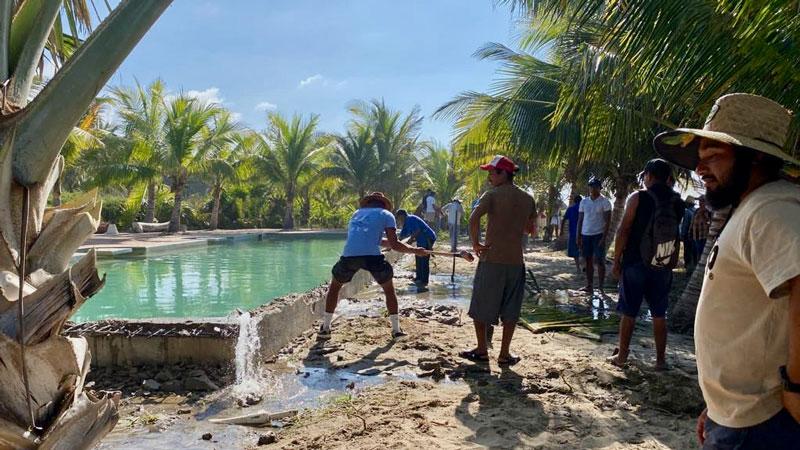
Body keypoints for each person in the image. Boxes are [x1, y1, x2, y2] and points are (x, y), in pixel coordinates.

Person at [653, 93, 800, 448]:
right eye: (699, 159)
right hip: (740, 416)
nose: (700, 170)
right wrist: (718, 406)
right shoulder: (752, 207)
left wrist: (796, 387)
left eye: (713, 156)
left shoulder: (773, 209)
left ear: (756, 157)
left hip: (762, 422)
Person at [319, 192, 428, 339]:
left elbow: (373, 240)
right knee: (389, 290)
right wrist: (415, 251)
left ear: (369, 203)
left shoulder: (356, 214)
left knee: (335, 287)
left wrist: (398, 245)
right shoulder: (386, 215)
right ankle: (396, 330)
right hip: (372, 257)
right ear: (384, 205)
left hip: (349, 255)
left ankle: (325, 328)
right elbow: (394, 244)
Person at [460, 155, 536, 365]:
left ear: (503, 174)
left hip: (492, 258)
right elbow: (529, 229)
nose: (489, 178)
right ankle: (504, 354)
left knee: (481, 306)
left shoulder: (492, 194)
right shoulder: (528, 199)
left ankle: (482, 349)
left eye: (492, 173)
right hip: (516, 261)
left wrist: (476, 244)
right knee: (511, 310)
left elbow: (474, 218)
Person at [610, 159, 685, 370]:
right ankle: (660, 360)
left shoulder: (638, 197)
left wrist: (616, 260)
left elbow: (623, 230)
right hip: (662, 264)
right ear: (668, 178)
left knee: (629, 312)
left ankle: (622, 357)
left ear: (649, 176)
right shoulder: (677, 202)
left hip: (635, 262)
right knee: (659, 314)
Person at [577, 178, 612, 294]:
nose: (593, 189)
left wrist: (604, 238)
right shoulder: (584, 202)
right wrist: (578, 237)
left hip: (598, 235)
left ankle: (601, 286)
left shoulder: (605, 202)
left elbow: (607, 222)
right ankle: (589, 285)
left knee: (600, 260)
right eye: (591, 186)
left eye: (595, 187)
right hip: (586, 234)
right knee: (588, 260)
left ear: (600, 188)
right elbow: (580, 220)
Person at [396, 210, 437, 287]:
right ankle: (418, 277)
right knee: (418, 257)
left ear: (402, 216)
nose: (399, 221)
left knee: (424, 259)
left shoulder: (410, 219)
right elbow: (401, 236)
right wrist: (395, 244)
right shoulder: (406, 223)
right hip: (420, 240)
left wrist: (410, 240)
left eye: (399, 218)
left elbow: (417, 231)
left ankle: (424, 281)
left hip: (427, 238)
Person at [563, 195, 583, 272]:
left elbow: (564, 219)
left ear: (574, 201)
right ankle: (584, 265)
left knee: (575, 252)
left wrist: (561, 230)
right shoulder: (583, 209)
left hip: (573, 233)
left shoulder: (571, 209)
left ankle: (578, 267)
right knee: (584, 250)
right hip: (584, 233)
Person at [680, 196, 697, 269]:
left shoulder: (687, 212)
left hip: (688, 236)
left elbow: (685, 225)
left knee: (687, 252)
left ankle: (687, 266)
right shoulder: (696, 211)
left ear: (687, 204)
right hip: (695, 235)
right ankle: (693, 266)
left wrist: (682, 236)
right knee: (694, 252)